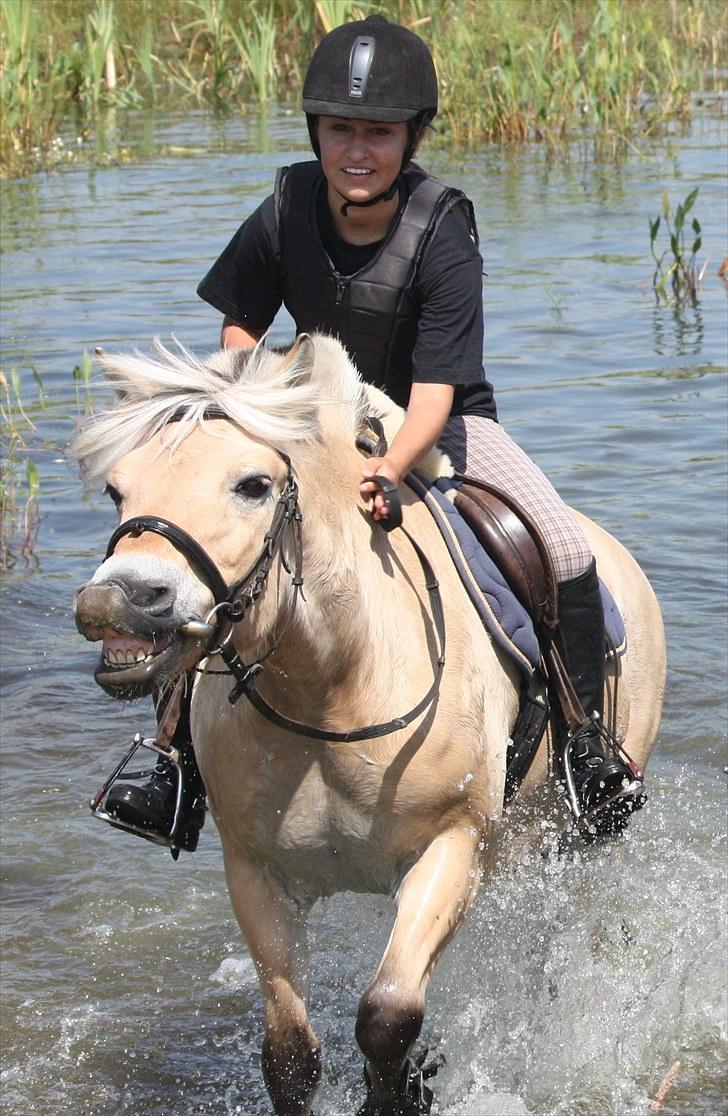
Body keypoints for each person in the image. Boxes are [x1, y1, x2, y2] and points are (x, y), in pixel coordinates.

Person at [103, 14, 645, 850]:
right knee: (209, 550)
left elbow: (435, 391)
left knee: (566, 552)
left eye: (380, 133)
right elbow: (241, 327)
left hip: (437, 428)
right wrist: (258, 402)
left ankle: (584, 745)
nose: (359, 149)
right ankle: (171, 761)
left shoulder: (443, 228)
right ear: (318, 131)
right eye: (342, 130)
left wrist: (389, 466)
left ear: (412, 136)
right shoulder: (285, 204)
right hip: (310, 421)